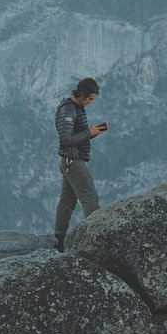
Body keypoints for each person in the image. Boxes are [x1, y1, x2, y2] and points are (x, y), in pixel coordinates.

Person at [53, 77, 108, 251]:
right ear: (82, 94)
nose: (91, 102)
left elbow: (75, 135)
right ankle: (97, 239)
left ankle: (58, 240)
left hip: (70, 160)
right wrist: (88, 132)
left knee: (67, 201)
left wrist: (92, 132)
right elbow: (66, 139)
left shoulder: (77, 108)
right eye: (90, 99)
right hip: (73, 161)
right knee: (90, 199)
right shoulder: (68, 110)